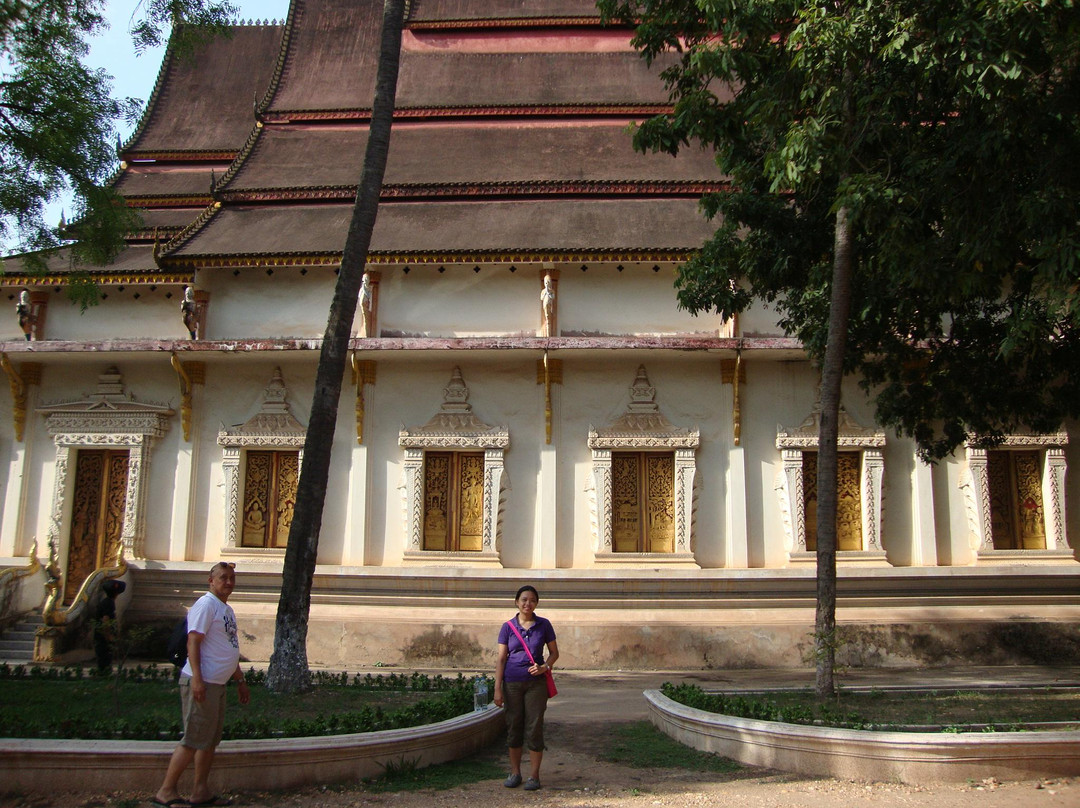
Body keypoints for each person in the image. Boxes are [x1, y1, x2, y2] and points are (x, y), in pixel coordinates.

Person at [153, 562, 250, 808]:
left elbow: (227, 647)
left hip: (217, 683)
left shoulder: (225, 608)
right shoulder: (206, 605)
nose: (228, 582)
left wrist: (239, 679)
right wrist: (197, 678)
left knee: (208, 741)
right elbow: (193, 642)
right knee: (193, 738)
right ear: (211, 580)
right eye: (223, 578)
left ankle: (200, 791)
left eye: (231, 578)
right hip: (203, 682)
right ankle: (166, 791)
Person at [494, 584, 559, 791]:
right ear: (516, 602)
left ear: (536, 603)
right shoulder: (507, 627)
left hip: (536, 685)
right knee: (514, 726)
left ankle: (534, 775)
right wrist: (497, 688)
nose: (527, 604)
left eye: (531, 600)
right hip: (512, 683)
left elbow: (554, 653)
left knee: (534, 726)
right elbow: (502, 658)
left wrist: (544, 667)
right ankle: (514, 772)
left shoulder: (544, 625)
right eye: (523, 600)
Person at [93, 579, 126, 672]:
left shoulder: (107, 601)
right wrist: (109, 636)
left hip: (101, 636)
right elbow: (106, 620)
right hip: (103, 638)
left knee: (105, 660)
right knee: (104, 660)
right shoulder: (109, 603)